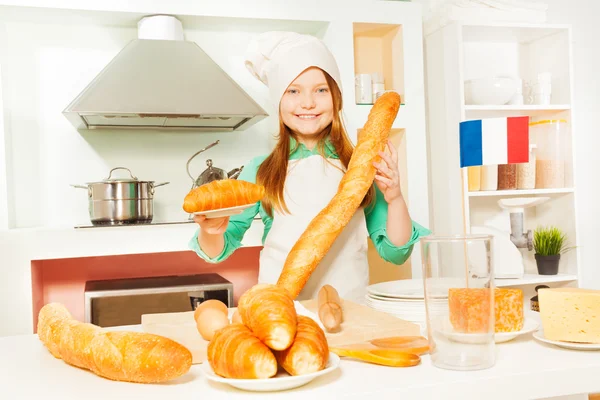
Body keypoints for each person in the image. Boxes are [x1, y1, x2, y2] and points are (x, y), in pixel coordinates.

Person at [189, 31, 431, 304]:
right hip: (281, 311)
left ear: (336, 98)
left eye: (321, 90)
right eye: (293, 91)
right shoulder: (262, 170)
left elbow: (396, 252)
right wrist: (211, 231)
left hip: (350, 312)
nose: (308, 103)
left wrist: (395, 196)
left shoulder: (360, 166)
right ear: (278, 101)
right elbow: (217, 250)